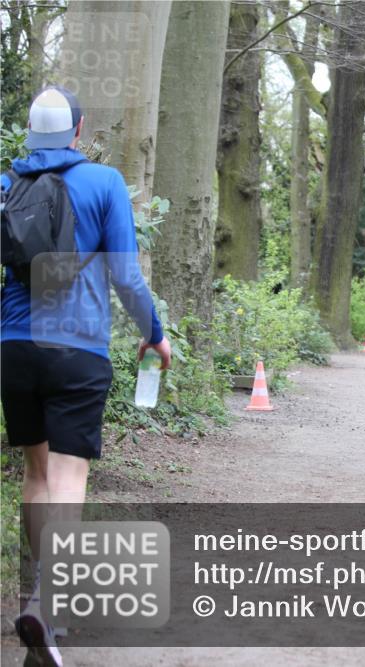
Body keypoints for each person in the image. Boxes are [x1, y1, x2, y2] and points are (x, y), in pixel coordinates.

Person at [1, 86, 172, 666]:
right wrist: (154, 330)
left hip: (15, 349)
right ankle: (49, 604)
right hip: (76, 350)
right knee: (70, 478)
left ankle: (37, 595)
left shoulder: (7, 184)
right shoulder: (103, 182)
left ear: (29, 134)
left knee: (36, 473)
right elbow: (126, 276)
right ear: (78, 131)